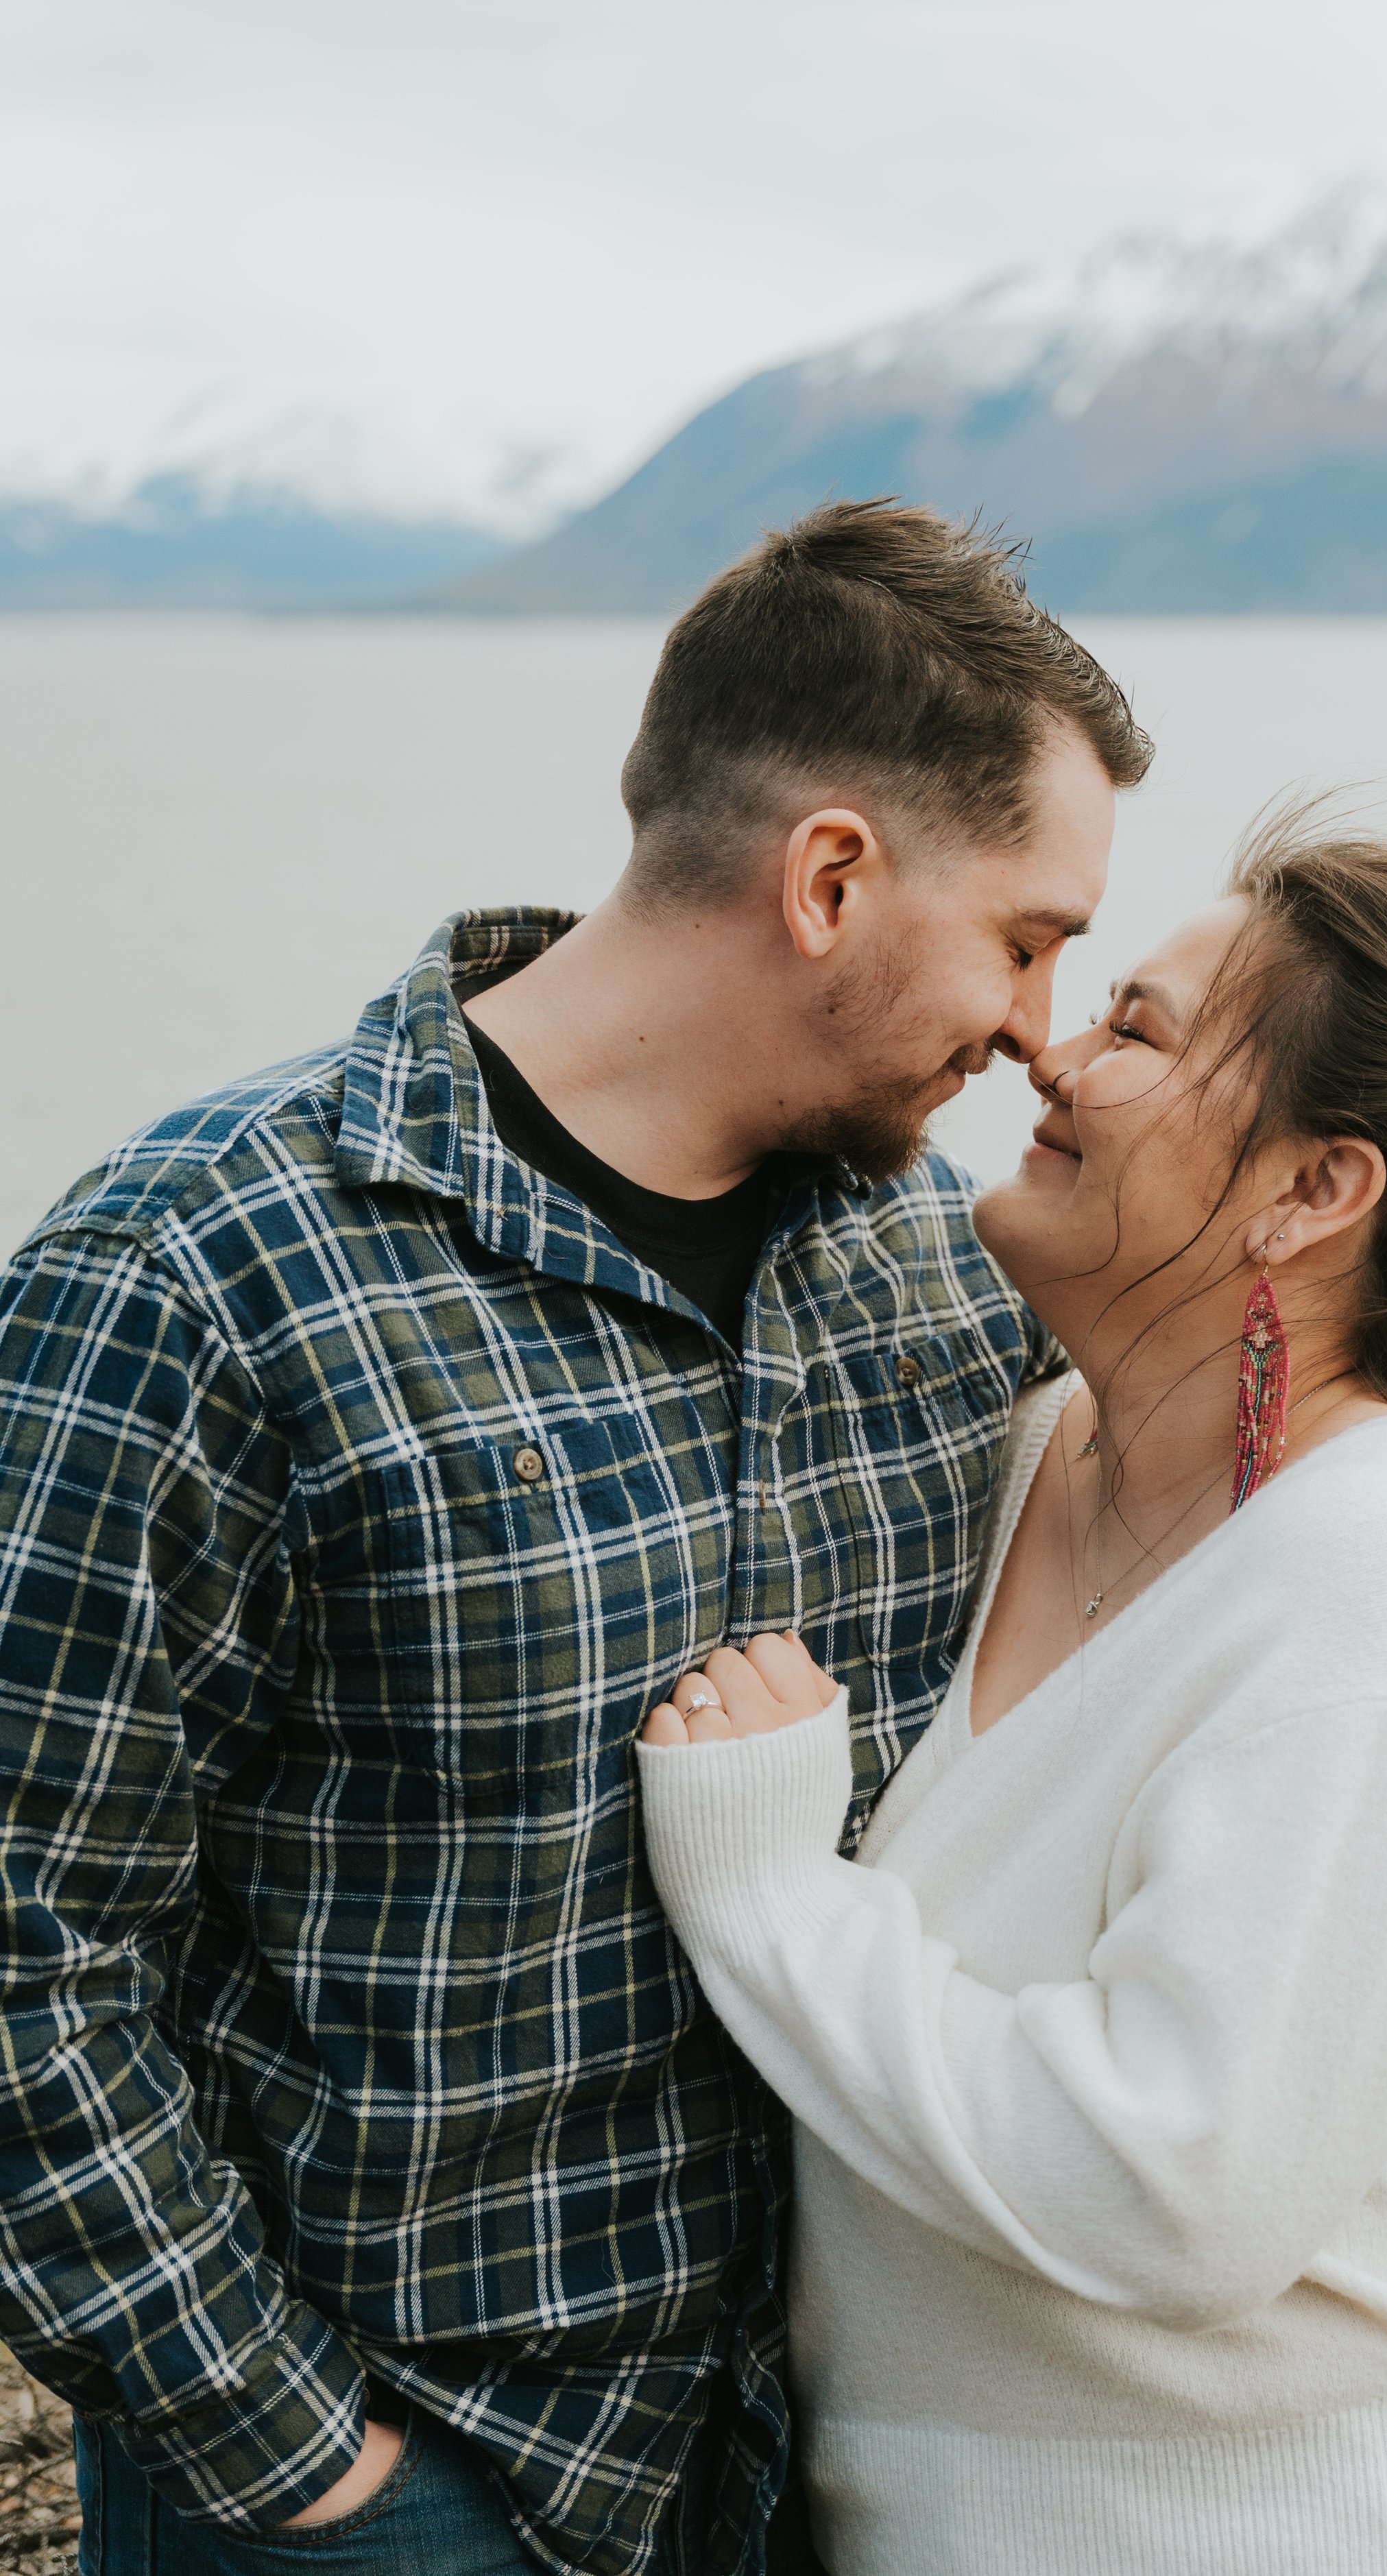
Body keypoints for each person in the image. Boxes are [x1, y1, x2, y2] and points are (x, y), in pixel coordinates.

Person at [0, 501, 1149, 2574]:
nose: (1041, 1028)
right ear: (828, 875)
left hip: (828, 2474)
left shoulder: (942, 1282)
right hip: (391, 2487)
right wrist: (295, 2467)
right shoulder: (194, 1275)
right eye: (1026, 933)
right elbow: (25, 1936)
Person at [637, 822, 1387, 2576]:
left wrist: (772, 1899)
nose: (1050, 1044)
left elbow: (1172, 2188)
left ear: (1312, 1192)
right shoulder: (1031, 1450)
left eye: (1142, 1031)